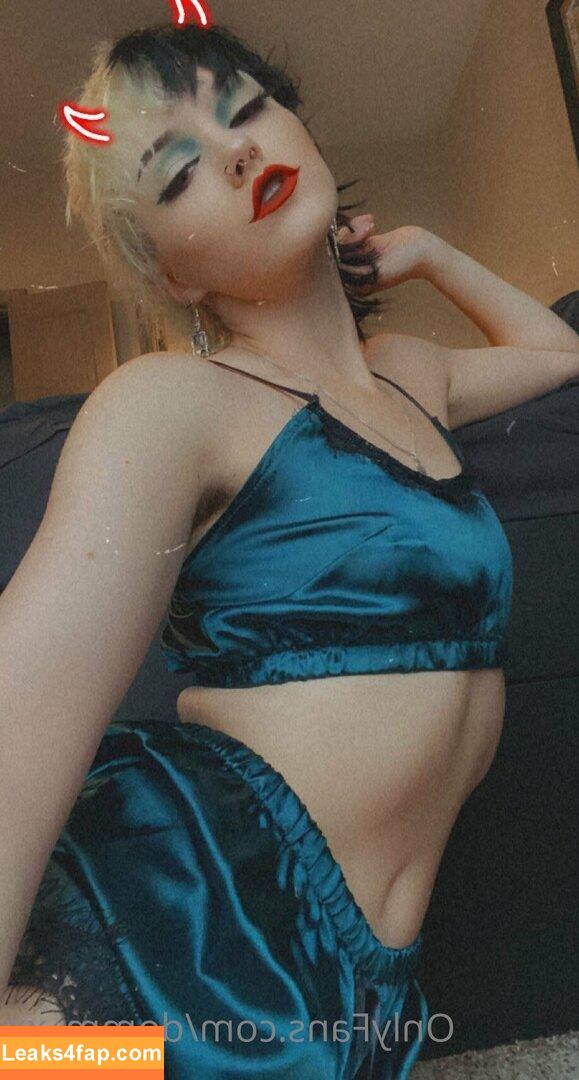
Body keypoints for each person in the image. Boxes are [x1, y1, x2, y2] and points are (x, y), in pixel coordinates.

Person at [1, 20, 577, 1079]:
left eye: (249, 110)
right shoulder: (171, 404)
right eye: (180, 174)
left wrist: (429, 253)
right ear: (170, 275)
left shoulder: (413, 372)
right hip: (175, 948)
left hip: (358, 1000)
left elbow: (557, 351)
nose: (236, 153)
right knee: (37, 1063)